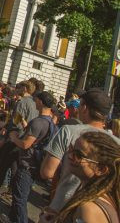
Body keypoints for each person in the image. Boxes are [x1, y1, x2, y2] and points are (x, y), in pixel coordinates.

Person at [39, 88, 120, 221]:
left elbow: (47, 172)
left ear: (84, 107)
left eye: (77, 155)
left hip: (63, 206)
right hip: (102, 208)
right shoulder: (116, 143)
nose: (71, 157)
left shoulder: (68, 131)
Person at [0, 91, 56, 223]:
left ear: (41, 102)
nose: (34, 102)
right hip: (36, 163)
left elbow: (26, 144)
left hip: (27, 163)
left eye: (36, 100)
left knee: (20, 198)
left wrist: (14, 138)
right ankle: (12, 218)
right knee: (18, 194)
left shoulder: (38, 122)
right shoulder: (50, 123)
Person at [55, 132, 120, 223]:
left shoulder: (89, 209)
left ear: (100, 169)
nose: (70, 156)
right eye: (71, 149)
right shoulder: (103, 196)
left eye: (78, 155)